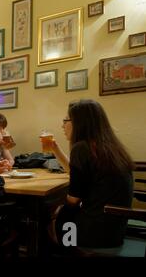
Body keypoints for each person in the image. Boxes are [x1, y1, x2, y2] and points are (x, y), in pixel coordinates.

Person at [49, 99, 134, 248]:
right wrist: (56, 150)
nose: (62, 125)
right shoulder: (108, 146)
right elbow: (81, 177)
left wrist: (55, 207)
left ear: (80, 122)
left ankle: (68, 249)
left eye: (66, 120)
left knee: (48, 219)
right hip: (115, 230)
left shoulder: (81, 148)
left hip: (94, 233)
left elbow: (73, 199)